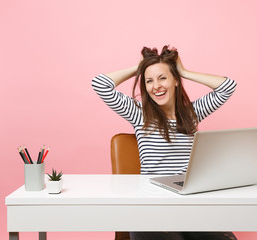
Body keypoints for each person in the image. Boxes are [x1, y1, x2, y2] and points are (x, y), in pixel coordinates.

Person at [92, 46, 237, 240]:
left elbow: (228, 87)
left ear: (175, 80)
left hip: (190, 207)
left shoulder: (191, 114)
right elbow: (100, 84)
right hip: (152, 208)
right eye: (149, 81)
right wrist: (140, 68)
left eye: (162, 78)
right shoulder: (139, 113)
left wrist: (184, 72)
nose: (156, 86)